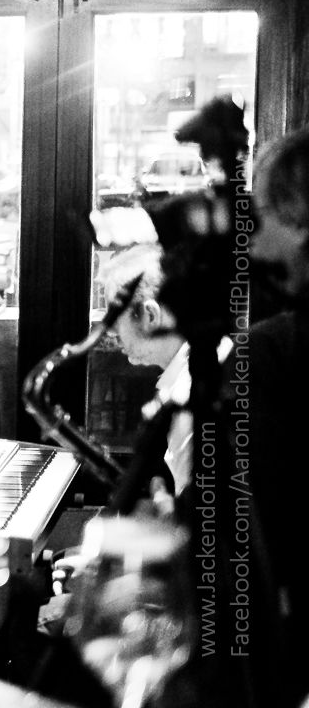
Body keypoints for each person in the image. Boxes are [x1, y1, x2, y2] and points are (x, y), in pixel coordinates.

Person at [240, 125, 309, 707]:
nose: (252, 238)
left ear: (301, 219)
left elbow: (256, 541)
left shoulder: (274, 351)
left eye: (261, 214)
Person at [98, 243, 229, 498]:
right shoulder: (216, 356)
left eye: (114, 319)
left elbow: (201, 518)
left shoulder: (189, 396)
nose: (111, 334)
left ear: (150, 315)